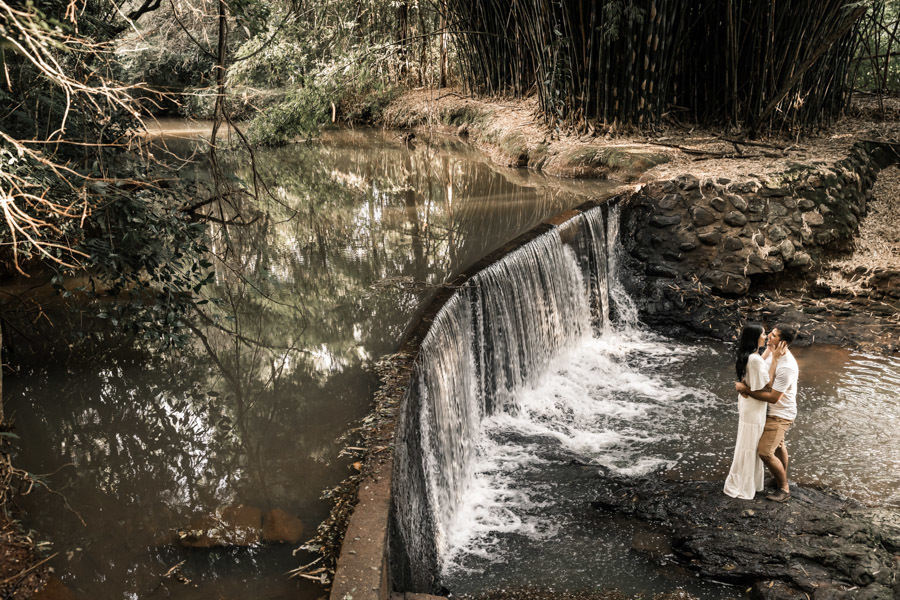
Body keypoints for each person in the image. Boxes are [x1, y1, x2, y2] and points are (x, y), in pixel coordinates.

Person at [736, 324, 799, 503]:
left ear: (783, 342)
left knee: (765, 452)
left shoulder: (787, 366)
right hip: (768, 411)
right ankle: (778, 478)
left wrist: (745, 389)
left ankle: (784, 489)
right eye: (769, 334)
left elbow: (773, 397)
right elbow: (761, 373)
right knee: (778, 445)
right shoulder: (773, 352)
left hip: (779, 414)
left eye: (773, 335)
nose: (768, 337)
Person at [723, 323, 770, 499]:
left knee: (747, 442)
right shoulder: (755, 359)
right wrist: (777, 359)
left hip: (748, 405)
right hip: (754, 406)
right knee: (751, 444)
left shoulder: (749, 356)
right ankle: (745, 484)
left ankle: (749, 481)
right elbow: (766, 386)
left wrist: (770, 351)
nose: (765, 336)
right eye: (763, 334)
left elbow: (759, 366)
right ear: (755, 337)